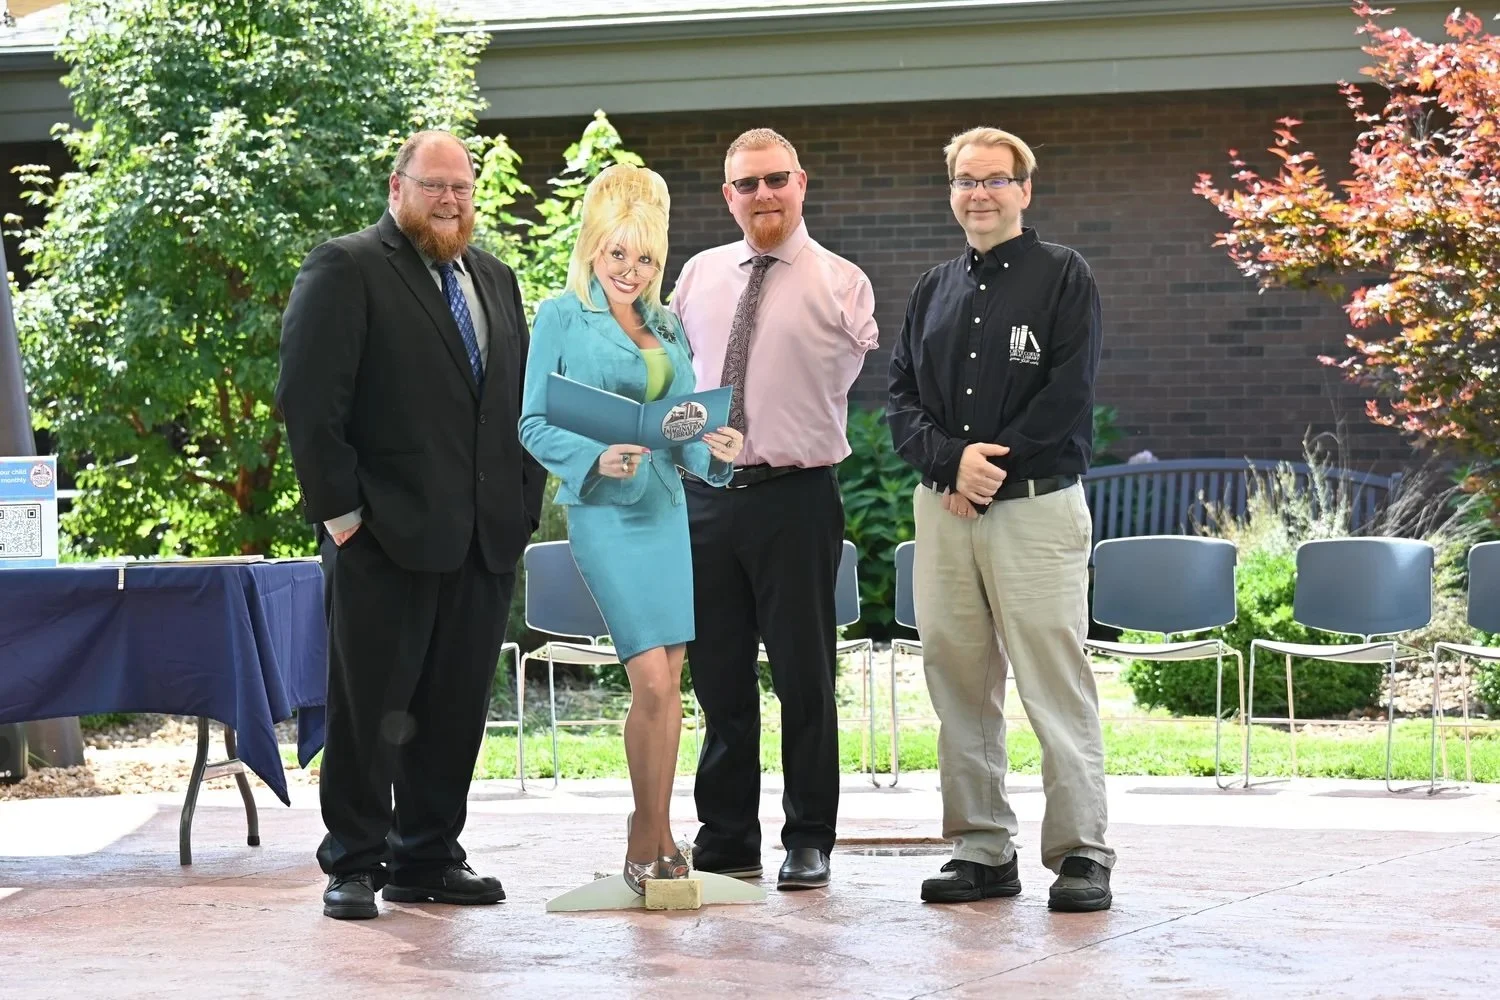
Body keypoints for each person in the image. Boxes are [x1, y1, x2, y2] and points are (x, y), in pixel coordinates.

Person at [277, 129, 545, 920]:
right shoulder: (348, 266)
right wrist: (344, 518)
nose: (450, 201)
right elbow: (309, 403)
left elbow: (517, 405)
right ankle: (353, 863)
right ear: (397, 189)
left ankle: (427, 856)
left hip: (484, 539)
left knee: (456, 705)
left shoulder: (494, 278)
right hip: (382, 538)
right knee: (369, 708)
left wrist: (522, 507)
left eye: (461, 188)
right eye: (434, 187)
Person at [886, 126, 1114, 912]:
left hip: (1035, 510)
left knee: (1054, 681)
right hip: (945, 512)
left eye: (994, 179)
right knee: (958, 680)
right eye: (964, 180)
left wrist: (988, 468)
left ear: (1024, 190)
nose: (978, 193)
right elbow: (901, 398)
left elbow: (1067, 393)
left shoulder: (1063, 277)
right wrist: (950, 463)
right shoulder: (932, 288)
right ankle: (982, 849)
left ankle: (1082, 852)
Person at [518, 163, 744, 894]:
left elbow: (678, 430)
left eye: (645, 257)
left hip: (664, 511)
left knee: (670, 685)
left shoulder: (667, 323)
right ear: (593, 246)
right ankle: (643, 840)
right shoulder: (559, 315)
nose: (631, 269)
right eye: (618, 253)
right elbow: (531, 421)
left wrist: (716, 449)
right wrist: (594, 456)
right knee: (650, 680)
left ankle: (658, 836)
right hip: (606, 516)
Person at [670, 127, 878, 891]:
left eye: (776, 180)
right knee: (719, 678)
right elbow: (677, 386)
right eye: (747, 184)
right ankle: (726, 836)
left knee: (803, 675)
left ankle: (809, 837)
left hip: (796, 499)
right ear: (728, 195)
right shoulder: (694, 276)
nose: (763, 194)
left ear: (802, 183)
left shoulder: (843, 283)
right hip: (708, 499)